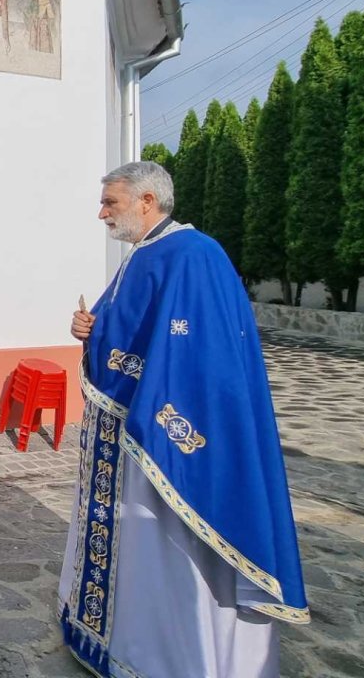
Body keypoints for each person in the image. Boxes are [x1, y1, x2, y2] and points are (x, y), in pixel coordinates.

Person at [61, 161, 308, 678]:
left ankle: (172, 659)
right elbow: (129, 333)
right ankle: (119, 640)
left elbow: (200, 354)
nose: (101, 213)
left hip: (165, 435)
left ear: (148, 201)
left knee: (171, 553)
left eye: (112, 202)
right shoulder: (143, 254)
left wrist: (157, 405)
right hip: (131, 429)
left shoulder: (194, 254)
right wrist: (92, 327)